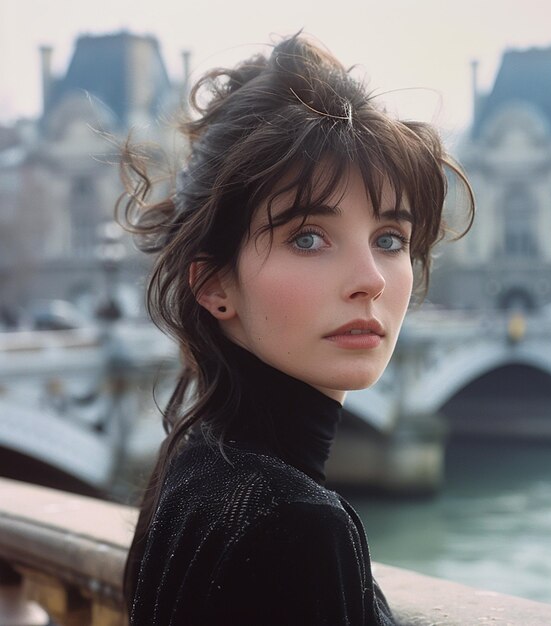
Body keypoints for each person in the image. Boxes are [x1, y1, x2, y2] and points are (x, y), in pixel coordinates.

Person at [120, 33, 473, 625]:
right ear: (213, 285)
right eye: (307, 238)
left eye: (390, 240)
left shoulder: (195, 461)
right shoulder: (298, 526)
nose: (371, 281)